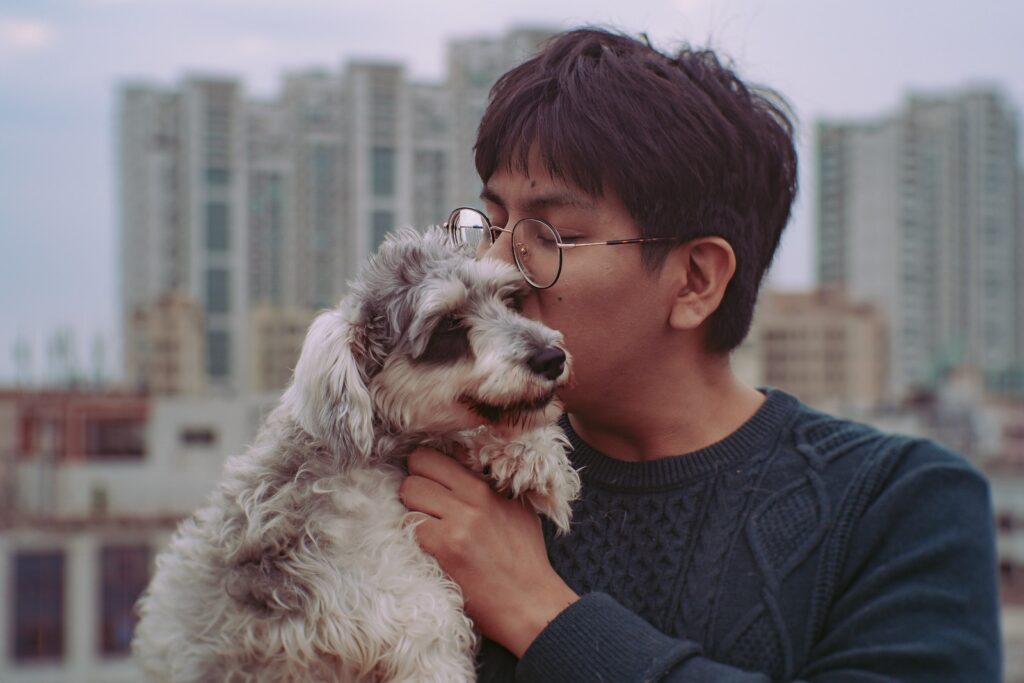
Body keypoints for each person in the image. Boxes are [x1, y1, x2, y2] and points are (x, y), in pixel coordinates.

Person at [398, 27, 1001, 682]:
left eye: (555, 233)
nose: (492, 266)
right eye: (489, 224)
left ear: (696, 281)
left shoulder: (901, 503)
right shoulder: (443, 478)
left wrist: (537, 609)